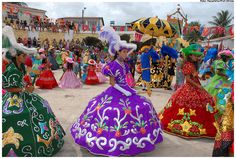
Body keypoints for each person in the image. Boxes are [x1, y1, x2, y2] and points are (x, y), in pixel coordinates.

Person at [71, 26, 163, 156]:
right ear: (118, 52)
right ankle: (113, 139)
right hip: (115, 90)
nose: (126, 54)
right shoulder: (112, 65)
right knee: (110, 111)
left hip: (125, 88)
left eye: (126, 52)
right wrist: (125, 91)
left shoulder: (125, 65)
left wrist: (129, 89)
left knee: (144, 105)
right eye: (123, 52)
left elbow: (125, 80)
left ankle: (136, 138)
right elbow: (112, 83)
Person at [2, 26, 65, 157]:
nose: (26, 58)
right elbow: (7, 87)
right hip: (13, 99)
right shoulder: (11, 69)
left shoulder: (21, 67)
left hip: (23, 94)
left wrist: (27, 85)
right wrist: (25, 88)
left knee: (43, 105)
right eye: (24, 55)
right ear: (18, 57)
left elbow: (22, 81)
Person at [159, 44, 217, 138]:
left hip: (196, 85)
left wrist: (199, 77)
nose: (197, 57)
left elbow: (193, 76)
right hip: (190, 86)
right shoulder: (187, 64)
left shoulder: (193, 64)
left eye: (198, 56)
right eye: (195, 55)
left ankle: (203, 123)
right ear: (190, 55)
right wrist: (198, 85)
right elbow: (188, 79)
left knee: (207, 100)